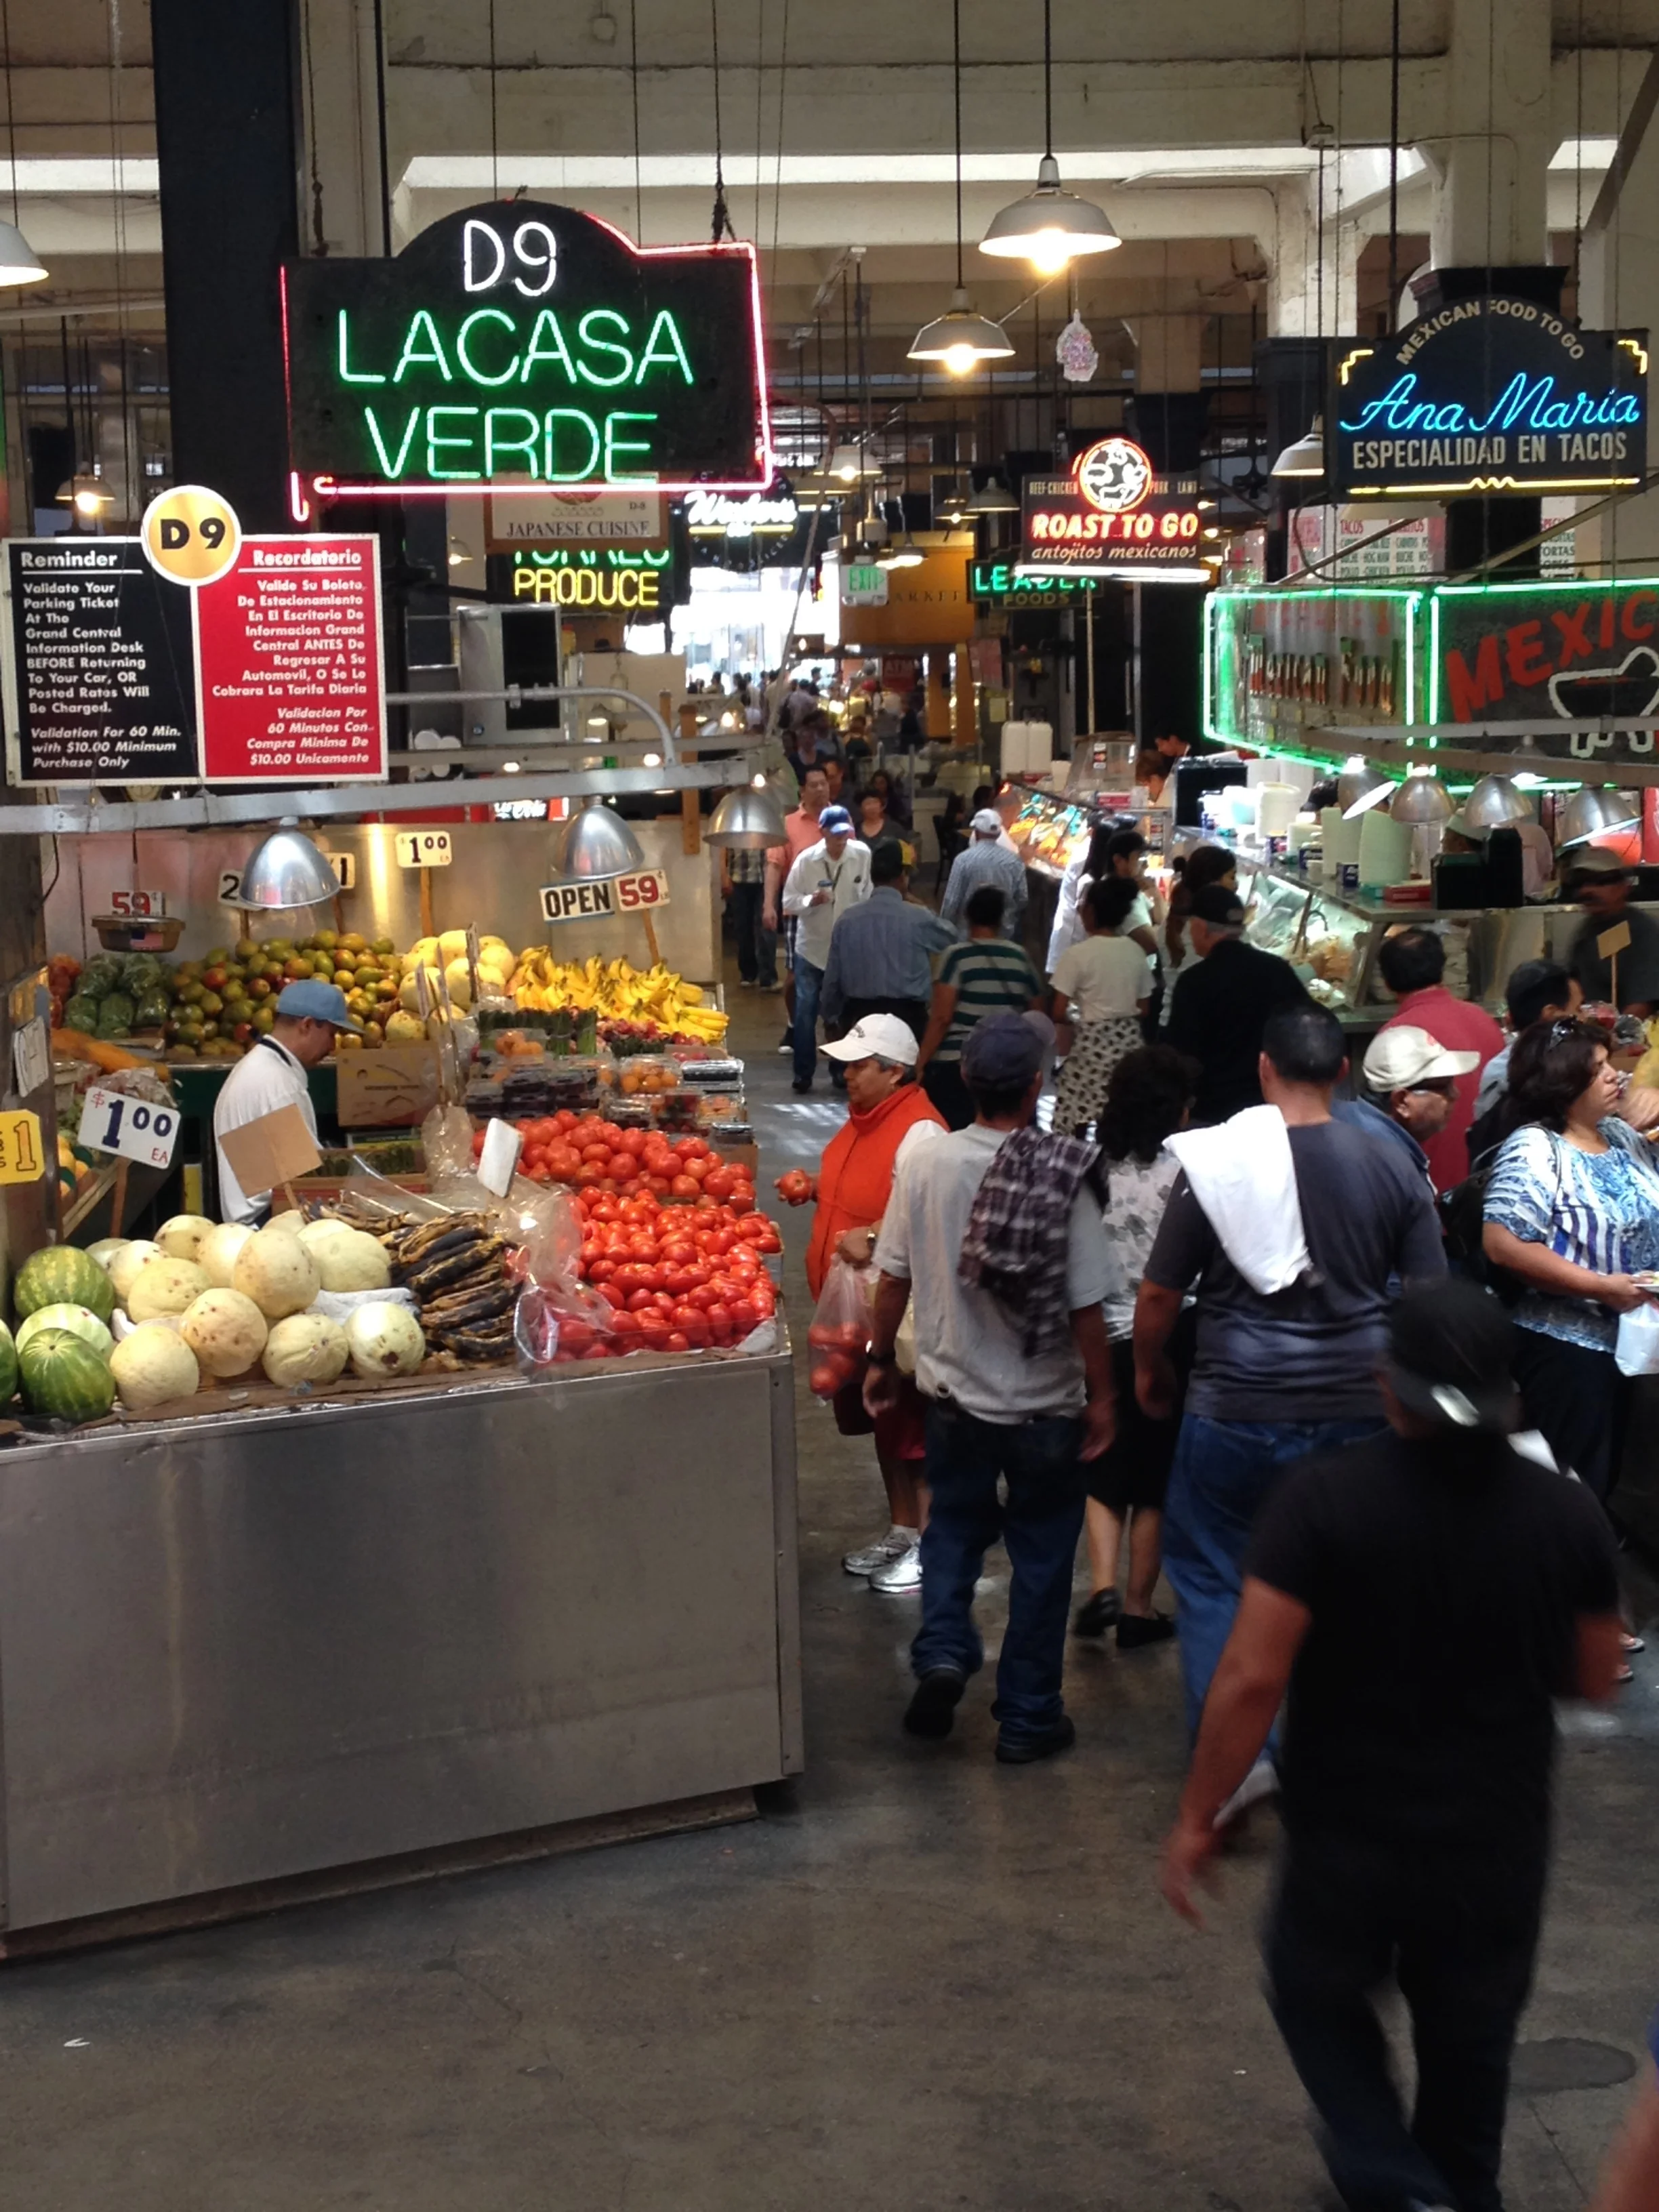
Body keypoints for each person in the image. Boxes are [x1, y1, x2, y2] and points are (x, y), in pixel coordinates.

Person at [1161, 1277, 1623, 2212]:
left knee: (1316, 1998)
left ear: (1387, 1387)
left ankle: (1391, 2178)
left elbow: (1252, 1676)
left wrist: (1199, 1814)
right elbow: (1596, 1677)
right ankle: (1451, 2190)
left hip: (1350, 1835)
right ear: (1511, 1390)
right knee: (1471, 2048)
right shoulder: (1566, 1515)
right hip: (1494, 1838)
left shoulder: (1321, 1504)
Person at [1137, 1004, 1446, 1756]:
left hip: (1236, 1407)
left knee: (1215, 1584)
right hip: (1360, 1411)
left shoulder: (1217, 1167)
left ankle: (1239, 1763)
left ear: (1264, 1069)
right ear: (1343, 1072)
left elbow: (1158, 1294)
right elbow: (1431, 1299)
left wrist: (1149, 1368)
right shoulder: (1392, 1166)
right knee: (1349, 1584)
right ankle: (1343, 1751)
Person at [864, 1012, 1115, 1761]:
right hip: (1045, 1408)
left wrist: (881, 1359)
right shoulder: (1065, 1170)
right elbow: (1086, 1305)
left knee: (952, 1532)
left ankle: (943, 1649)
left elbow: (893, 1277)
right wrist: (1103, 1398)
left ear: (966, 1081)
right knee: (1041, 1557)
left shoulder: (928, 1163)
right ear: (1037, 1085)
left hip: (954, 1402)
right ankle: (1030, 1718)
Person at [777, 1013, 945, 1594]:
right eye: (845, 1062)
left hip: (898, 1315)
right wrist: (820, 1189)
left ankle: (932, 1545)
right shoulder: (865, 1122)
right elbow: (876, 1187)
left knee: (914, 1432)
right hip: (857, 1313)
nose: (845, 1073)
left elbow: (931, 1215)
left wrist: (872, 1236)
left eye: (859, 1064)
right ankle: (903, 1530)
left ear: (894, 1071)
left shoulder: (921, 1133)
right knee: (883, 1425)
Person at [1482, 1018, 1659, 1503]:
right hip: (1567, 1348)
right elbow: (1503, 1244)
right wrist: (1600, 1286)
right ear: (1566, 1082)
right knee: (1565, 1490)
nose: (1614, 1076)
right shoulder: (1537, 1149)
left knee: (1605, 1480)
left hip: (1632, 1343)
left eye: (1610, 1064)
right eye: (1598, 1068)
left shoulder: (1623, 1138)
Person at [1074, 1046, 1197, 1649]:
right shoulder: (1186, 1171)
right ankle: (1140, 1611)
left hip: (1098, 1333)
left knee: (1104, 1465)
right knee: (1155, 1481)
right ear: (1176, 1109)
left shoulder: (1090, 1164)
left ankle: (1101, 1587)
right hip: (1169, 1336)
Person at [213, 981, 362, 1225]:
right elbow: (305, 1181)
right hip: (267, 1227)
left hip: (255, 1221)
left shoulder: (260, 1069)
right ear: (307, 1025)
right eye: (331, 1034)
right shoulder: (276, 1085)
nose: (332, 1047)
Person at [1165, 884, 1311, 1125]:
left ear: (1201, 928)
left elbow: (1182, 1054)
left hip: (1213, 1112)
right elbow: (1303, 1029)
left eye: (1191, 927)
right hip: (1271, 1109)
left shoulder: (1194, 982)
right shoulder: (1278, 970)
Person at [1375, 926, 1504, 1190]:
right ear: (1441, 969)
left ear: (1387, 983)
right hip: (1492, 1187)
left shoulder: (1394, 1037)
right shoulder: (1484, 1020)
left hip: (1432, 1193)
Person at [916, 886, 1044, 1130]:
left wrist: (920, 1063)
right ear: (1001, 919)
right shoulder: (1020, 957)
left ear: (968, 916)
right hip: (1008, 1061)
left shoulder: (956, 957)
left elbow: (942, 1017)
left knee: (954, 1134)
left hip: (957, 1063)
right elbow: (1036, 1014)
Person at [821, 839, 956, 1046]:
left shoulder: (846, 921)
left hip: (858, 1018)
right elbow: (953, 940)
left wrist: (830, 1020)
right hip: (908, 1022)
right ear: (903, 877)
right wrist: (920, 904)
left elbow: (832, 980)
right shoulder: (919, 918)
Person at [1049, 876, 1155, 1138]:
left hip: (1091, 1048)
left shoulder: (1078, 955)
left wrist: (1080, 1015)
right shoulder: (1135, 952)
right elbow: (1144, 1009)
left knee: (1075, 1113)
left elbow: (1058, 1011)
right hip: (1130, 1046)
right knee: (1120, 1109)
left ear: (1092, 911)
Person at [781, 805, 872, 1092]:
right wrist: (810, 901)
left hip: (847, 950)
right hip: (813, 949)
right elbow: (787, 902)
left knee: (842, 1014)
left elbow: (867, 894)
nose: (840, 839)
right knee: (806, 1012)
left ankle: (840, 1070)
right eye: (835, 835)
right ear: (822, 832)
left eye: (844, 833)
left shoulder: (862, 855)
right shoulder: (806, 861)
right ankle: (803, 1073)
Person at [1353, 1024, 1480, 1189]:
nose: (1455, 1094)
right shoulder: (1389, 1168)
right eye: (1444, 1087)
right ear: (1402, 1102)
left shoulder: (1360, 1132)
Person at [764, 765, 832, 1055]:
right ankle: (794, 1026)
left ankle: (833, 1032)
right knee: (795, 977)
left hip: (834, 912)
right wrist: (769, 903)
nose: (820, 789)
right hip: (800, 912)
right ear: (802, 791)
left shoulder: (840, 819)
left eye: (823, 784)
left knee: (833, 976)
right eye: (813, 784)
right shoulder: (789, 823)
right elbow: (774, 865)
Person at [1472, 958, 1583, 1128]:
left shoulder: (1577, 1060)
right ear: (1552, 1014)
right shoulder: (1504, 1075)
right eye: (1577, 1010)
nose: (1583, 1019)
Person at [1046, 825, 1161, 975]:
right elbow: (1152, 942)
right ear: (1119, 860)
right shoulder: (1109, 891)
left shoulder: (1134, 890)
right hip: (1104, 969)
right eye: (1139, 857)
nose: (1145, 864)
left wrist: (1155, 894)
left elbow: (1159, 920)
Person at [1566, 847, 1659, 1015]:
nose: (1587, 890)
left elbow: (1642, 1005)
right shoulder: (1585, 933)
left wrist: (1613, 1035)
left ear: (1623, 886)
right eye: (1581, 882)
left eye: (1600, 881)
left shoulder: (1644, 933)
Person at [939, 808, 1028, 941]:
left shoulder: (963, 860)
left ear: (977, 833)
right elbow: (1022, 898)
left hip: (968, 936)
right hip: (1004, 936)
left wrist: (944, 929)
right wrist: (1008, 917)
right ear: (999, 834)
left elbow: (951, 901)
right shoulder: (1015, 861)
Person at [1163, 843, 1238, 976]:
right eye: (1232, 877)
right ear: (1213, 883)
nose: (1236, 885)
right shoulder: (1218, 928)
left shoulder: (1171, 922)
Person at [721, 836, 777, 992]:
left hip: (765, 879)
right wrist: (724, 875)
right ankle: (748, 974)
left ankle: (768, 977)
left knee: (766, 928)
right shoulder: (735, 816)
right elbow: (724, 847)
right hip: (739, 878)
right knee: (742, 927)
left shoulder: (767, 816)